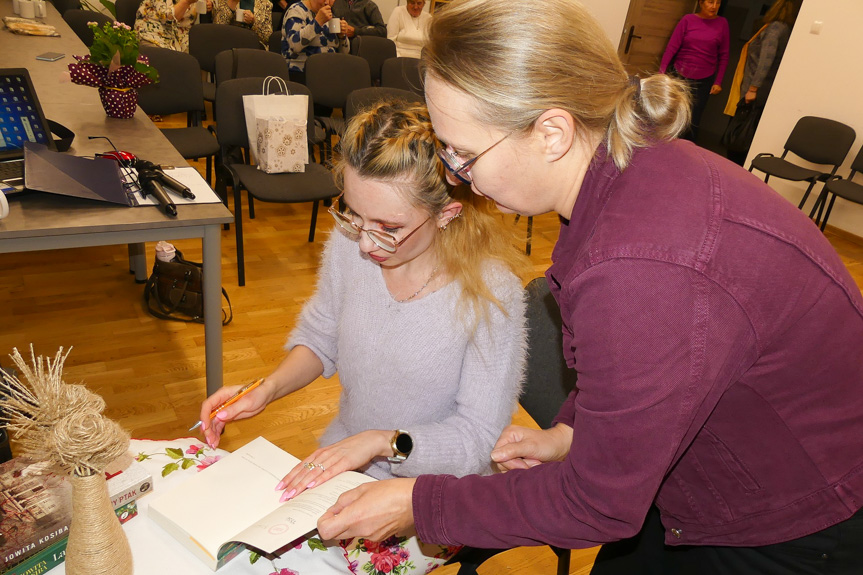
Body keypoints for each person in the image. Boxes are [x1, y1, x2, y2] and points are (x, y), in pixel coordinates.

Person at [313, 1, 863, 574]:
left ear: (552, 132)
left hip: (789, 520)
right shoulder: (625, 173)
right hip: (695, 477)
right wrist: (571, 431)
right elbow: (644, 376)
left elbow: (600, 503)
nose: (455, 176)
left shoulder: (642, 266)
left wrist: (421, 502)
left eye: (465, 154)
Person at [199, 99, 529, 574]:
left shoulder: (491, 296)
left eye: (389, 227)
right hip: (345, 460)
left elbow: (479, 438)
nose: (367, 242)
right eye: (354, 214)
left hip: (430, 492)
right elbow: (320, 336)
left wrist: (381, 443)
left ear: (447, 214)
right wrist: (266, 389)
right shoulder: (350, 247)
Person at [724, 0, 799, 165]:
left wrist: (753, 88)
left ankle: (733, 171)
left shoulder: (775, 29)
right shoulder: (787, 30)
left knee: (738, 137)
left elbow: (765, 61)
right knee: (747, 136)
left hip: (754, 92)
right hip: (764, 91)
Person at [659, 0, 729, 142]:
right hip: (681, 75)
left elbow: (724, 55)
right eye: (710, 2)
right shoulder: (688, 20)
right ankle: (666, 149)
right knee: (674, 115)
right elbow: (672, 47)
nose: (714, 6)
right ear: (701, 3)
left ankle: (687, 155)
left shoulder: (722, 23)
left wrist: (718, 81)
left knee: (693, 119)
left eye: (718, 3)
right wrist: (661, 72)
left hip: (705, 80)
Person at [281, 0, 349, 83]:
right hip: (301, 72)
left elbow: (345, 53)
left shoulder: (330, 16)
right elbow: (295, 45)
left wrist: (342, 37)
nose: (327, 2)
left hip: (330, 72)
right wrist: (317, 22)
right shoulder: (296, 11)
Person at [135, 0, 210, 52]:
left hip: (179, 39)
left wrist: (209, 4)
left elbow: (187, 21)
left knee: (202, 52)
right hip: (154, 37)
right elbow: (167, 18)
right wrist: (186, 2)